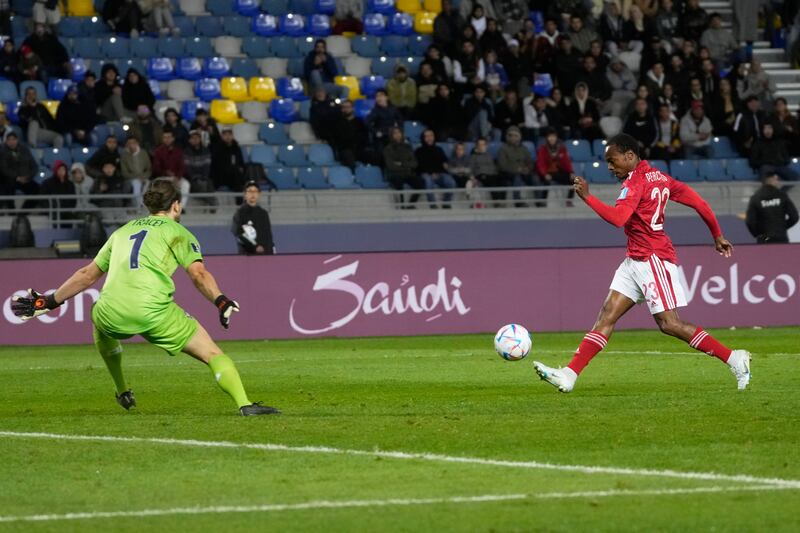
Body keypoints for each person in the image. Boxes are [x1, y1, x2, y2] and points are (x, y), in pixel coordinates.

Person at [11, 179, 278, 416]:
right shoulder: (178, 232)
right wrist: (220, 300)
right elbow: (198, 274)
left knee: (98, 313)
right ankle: (244, 404)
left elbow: (87, 274)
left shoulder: (122, 231)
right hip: (154, 313)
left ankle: (121, 389)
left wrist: (49, 301)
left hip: (111, 312)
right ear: (176, 205)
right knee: (212, 353)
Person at [533, 133, 750, 394]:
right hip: (635, 259)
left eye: (613, 161)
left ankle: (734, 358)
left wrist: (588, 198)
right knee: (606, 316)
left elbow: (618, 218)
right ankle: (569, 374)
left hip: (652, 258)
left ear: (630, 156)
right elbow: (699, 202)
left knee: (670, 324)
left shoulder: (635, 183)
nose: (610, 167)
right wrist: (717, 235)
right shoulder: (661, 177)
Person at [745, 174, 799, 244]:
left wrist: (758, 233)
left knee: (765, 255)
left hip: (764, 238)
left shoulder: (756, 197)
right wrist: (782, 227)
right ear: (774, 179)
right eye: (777, 179)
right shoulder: (781, 195)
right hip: (781, 237)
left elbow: (750, 221)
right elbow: (794, 217)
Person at [415, 129, 456, 208]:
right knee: (428, 181)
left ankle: (446, 203)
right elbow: (420, 167)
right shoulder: (419, 151)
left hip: (440, 173)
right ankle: (433, 205)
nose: (429, 138)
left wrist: (447, 167)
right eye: (427, 136)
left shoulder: (439, 149)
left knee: (451, 182)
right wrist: (431, 173)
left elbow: (445, 161)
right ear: (423, 138)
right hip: (426, 174)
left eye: (431, 136)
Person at [232, 181, 275, 255]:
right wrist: (255, 246)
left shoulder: (263, 213)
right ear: (245, 194)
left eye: (255, 191)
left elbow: (268, 235)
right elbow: (238, 233)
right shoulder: (240, 213)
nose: (253, 194)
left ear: (259, 194)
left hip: (264, 255)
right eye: (250, 191)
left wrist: (271, 250)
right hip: (247, 255)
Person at [534, 128, 575, 207]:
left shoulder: (562, 148)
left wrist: (571, 172)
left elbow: (566, 162)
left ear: (556, 137)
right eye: (550, 137)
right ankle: (543, 201)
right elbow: (540, 163)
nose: (552, 138)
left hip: (558, 171)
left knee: (574, 180)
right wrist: (545, 174)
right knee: (546, 181)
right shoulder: (543, 149)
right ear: (547, 138)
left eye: (553, 136)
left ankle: (569, 201)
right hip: (547, 172)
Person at [383, 126, 421, 207]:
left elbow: (414, 163)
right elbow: (391, 166)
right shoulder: (388, 149)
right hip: (395, 174)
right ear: (391, 135)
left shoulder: (408, 147)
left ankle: (411, 205)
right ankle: (401, 206)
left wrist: (402, 164)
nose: (397, 135)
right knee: (398, 183)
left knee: (420, 183)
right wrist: (407, 164)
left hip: (407, 174)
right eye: (395, 133)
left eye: (399, 132)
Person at [496, 126, 534, 207]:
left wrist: (528, 168)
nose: (513, 138)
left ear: (519, 137)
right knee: (517, 177)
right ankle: (518, 201)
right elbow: (502, 166)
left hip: (524, 172)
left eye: (515, 135)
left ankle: (540, 202)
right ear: (507, 137)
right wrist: (517, 170)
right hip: (508, 174)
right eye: (511, 135)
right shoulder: (502, 149)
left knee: (535, 178)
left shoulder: (524, 148)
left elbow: (530, 162)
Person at [0, 133, 40, 205]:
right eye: (9, 140)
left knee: (37, 190)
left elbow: (34, 166)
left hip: (25, 178)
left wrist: (28, 177)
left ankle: (23, 213)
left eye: (13, 139)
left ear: (17, 140)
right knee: (7, 187)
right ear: (6, 141)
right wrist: (17, 177)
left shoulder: (25, 150)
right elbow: (4, 169)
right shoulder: (2, 152)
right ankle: (11, 213)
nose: (11, 142)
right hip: (10, 179)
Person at [183, 130, 215, 204]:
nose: (195, 140)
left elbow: (207, 167)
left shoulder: (206, 150)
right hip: (192, 179)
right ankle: (211, 202)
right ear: (189, 140)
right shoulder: (186, 152)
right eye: (193, 138)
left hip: (203, 177)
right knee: (197, 186)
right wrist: (196, 178)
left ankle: (211, 202)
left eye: (197, 138)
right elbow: (188, 169)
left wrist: (203, 178)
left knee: (209, 183)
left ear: (200, 139)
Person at [40, 160, 76, 226]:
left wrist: (67, 209)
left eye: (63, 169)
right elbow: (43, 199)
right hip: (53, 212)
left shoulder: (70, 184)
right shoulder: (47, 183)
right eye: (59, 169)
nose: (61, 172)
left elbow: (73, 200)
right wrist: (49, 210)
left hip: (66, 213)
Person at [211, 127, 246, 192]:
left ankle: (241, 198)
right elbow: (217, 165)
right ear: (222, 136)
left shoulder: (236, 147)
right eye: (225, 135)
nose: (228, 137)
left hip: (235, 174)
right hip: (222, 176)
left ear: (232, 136)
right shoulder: (218, 148)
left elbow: (241, 162)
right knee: (237, 176)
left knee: (239, 175)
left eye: (229, 134)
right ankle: (241, 200)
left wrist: (241, 168)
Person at [120, 136, 152, 204]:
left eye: (133, 143)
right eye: (129, 143)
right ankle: (137, 205)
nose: (131, 145)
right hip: (131, 178)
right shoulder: (124, 155)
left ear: (137, 143)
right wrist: (137, 177)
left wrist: (144, 177)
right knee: (136, 184)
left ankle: (143, 205)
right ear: (126, 145)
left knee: (147, 184)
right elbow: (124, 172)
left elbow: (149, 168)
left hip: (144, 177)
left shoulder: (143, 153)